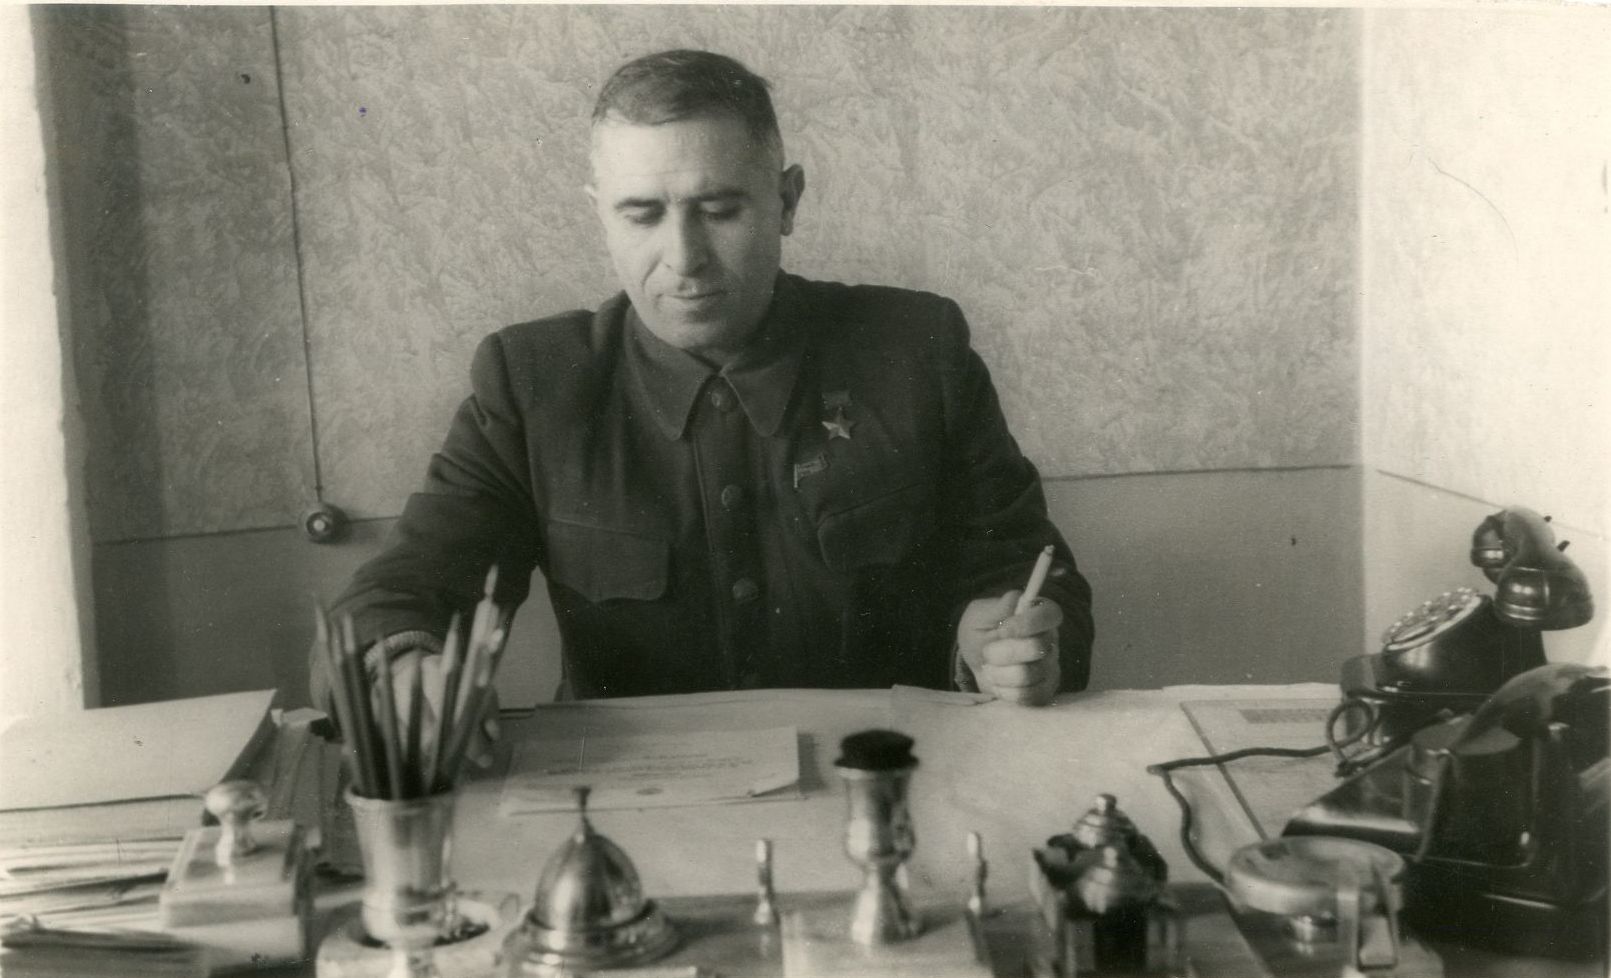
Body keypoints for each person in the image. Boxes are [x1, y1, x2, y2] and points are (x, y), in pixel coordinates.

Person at [318, 49, 1094, 757]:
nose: (684, 258)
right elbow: (397, 591)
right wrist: (402, 672)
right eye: (641, 214)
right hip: (629, 810)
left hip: (890, 781)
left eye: (719, 211)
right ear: (598, 213)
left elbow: (1029, 571)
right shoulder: (531, 382)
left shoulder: (914, 349)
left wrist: (1002, 642)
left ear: (786, 200)